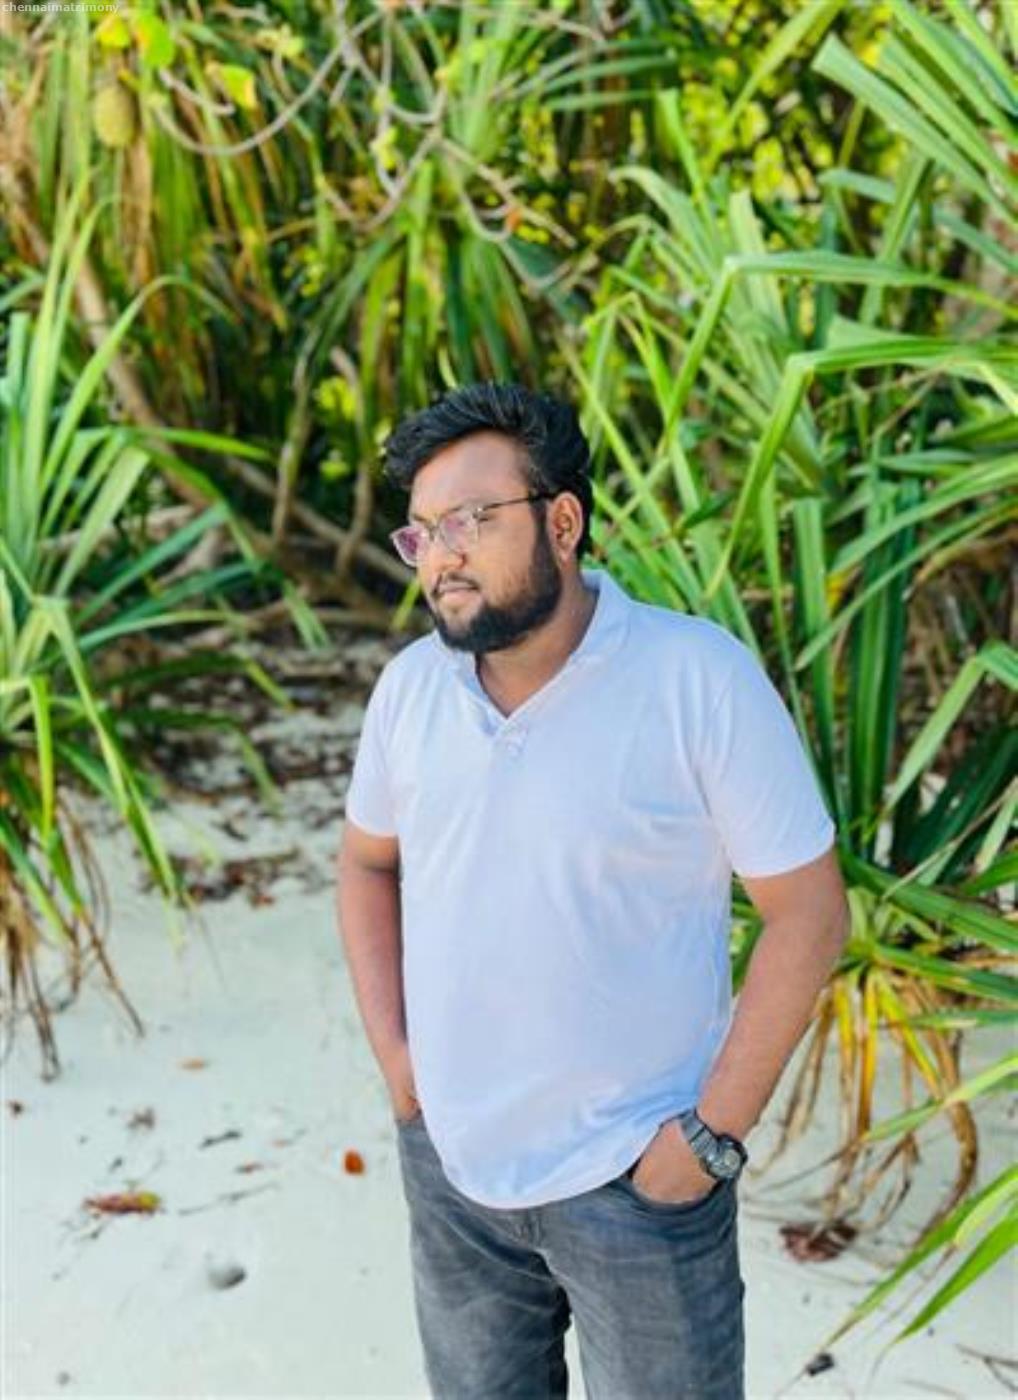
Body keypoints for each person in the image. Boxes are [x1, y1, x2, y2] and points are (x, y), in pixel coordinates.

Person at [337, 382, 850, 1400]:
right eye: (423, 531)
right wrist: (399, 1063)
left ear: (563, 522)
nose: (440, 556)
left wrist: (704, 1138)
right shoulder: (410, 690)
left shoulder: (695, 678)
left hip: (640, 1185)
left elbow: (810, 913)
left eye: (471, 520)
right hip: (454, 1171)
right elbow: (366, 862)